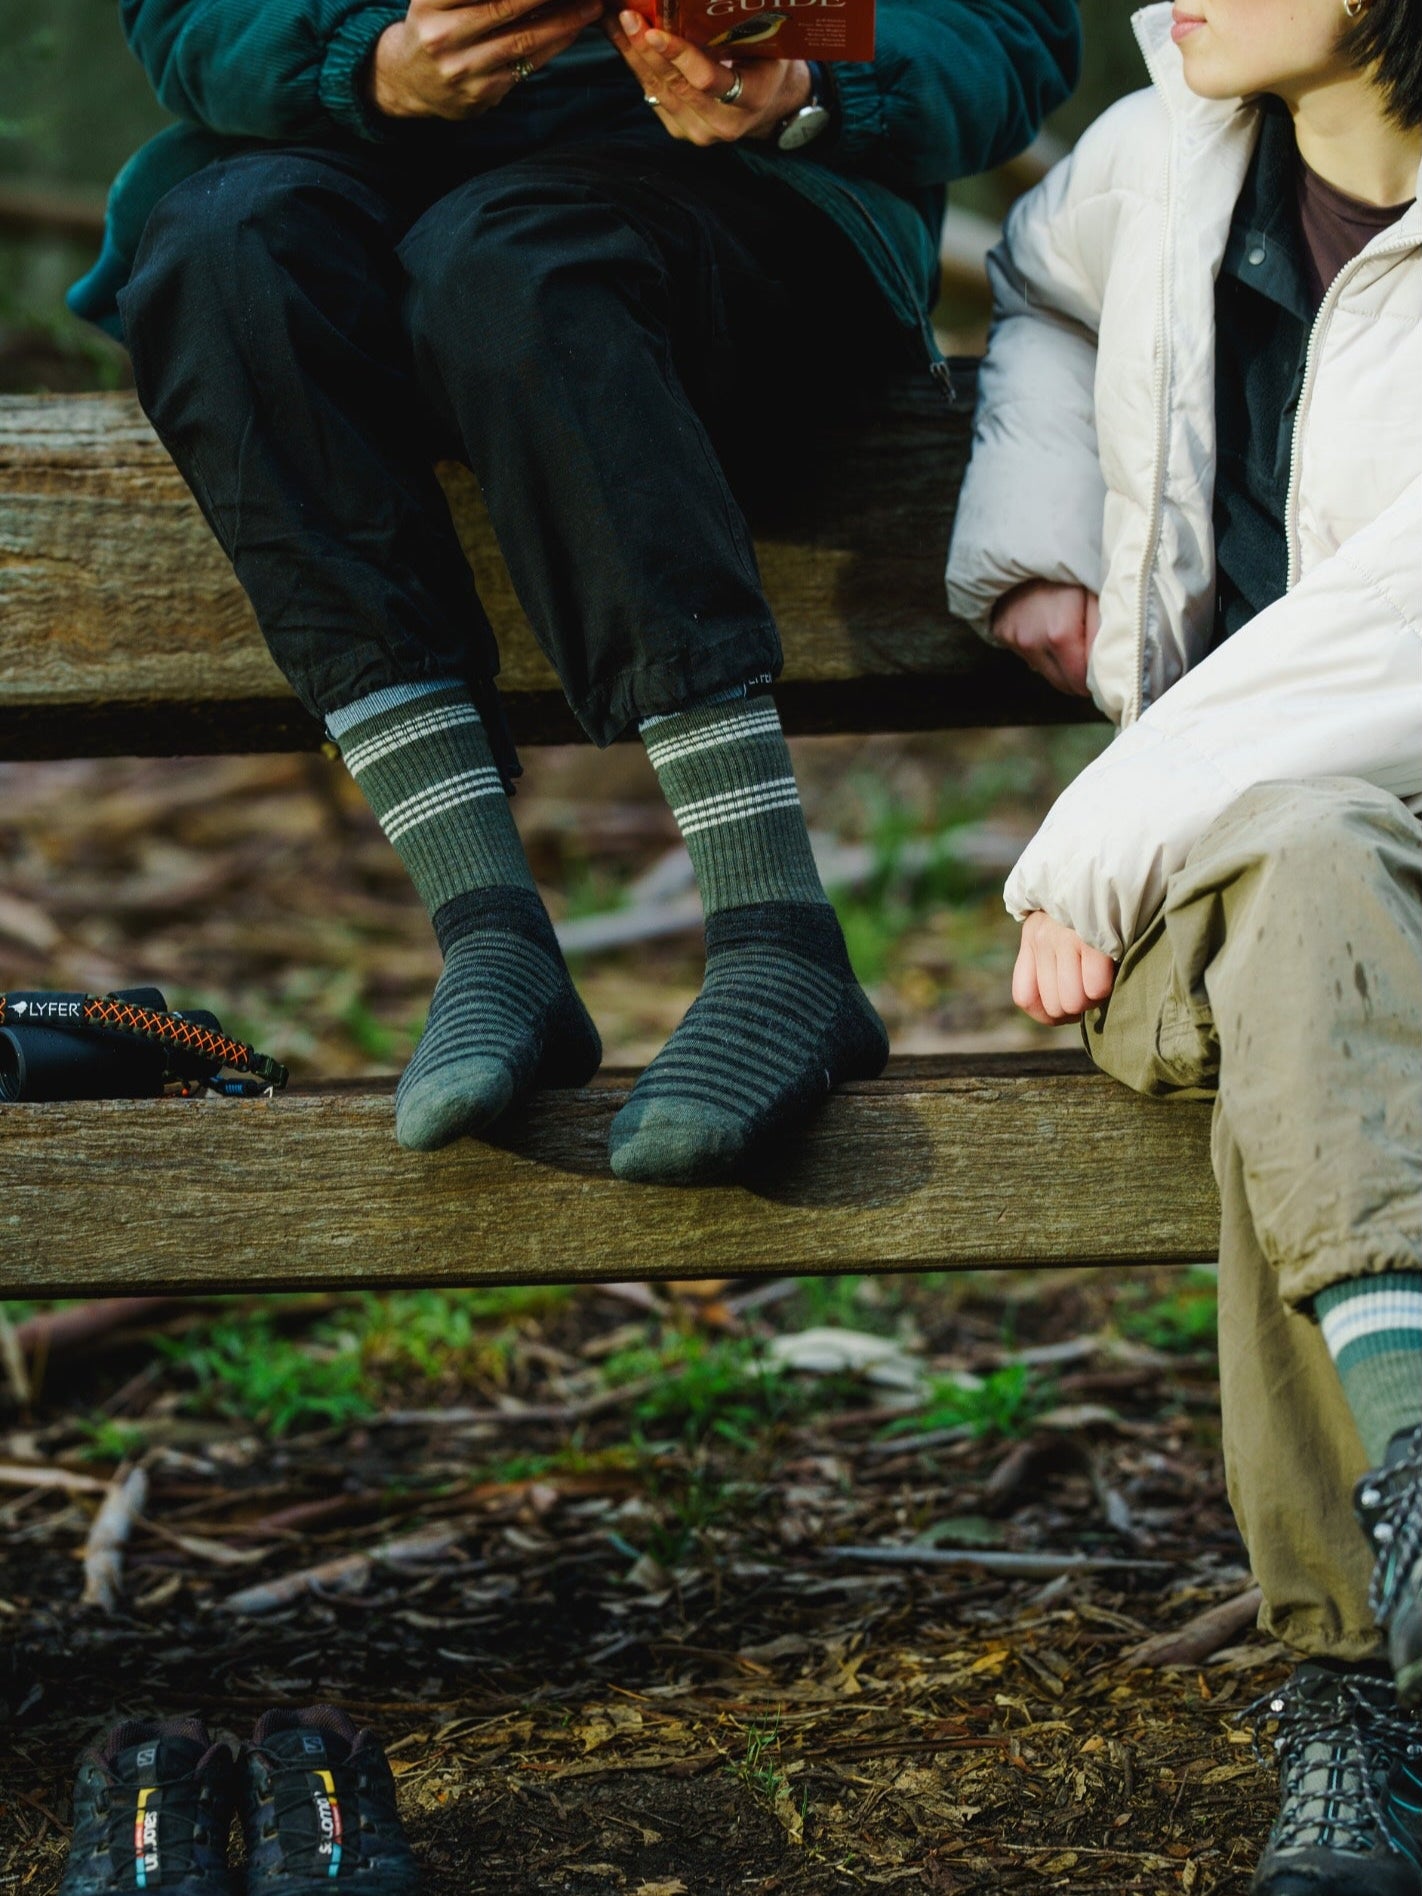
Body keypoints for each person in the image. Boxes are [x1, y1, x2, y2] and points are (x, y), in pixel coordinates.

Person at [76, 0, 1078, 1184]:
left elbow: (1004, 24)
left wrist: (809, 74)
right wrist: (369, 65)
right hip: (345, 175)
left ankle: (781, 947)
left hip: (734, 212)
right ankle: (491, 938)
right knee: (219, 247)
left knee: (511, 256)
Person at [947, 0, 1422, 1887]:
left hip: (1199, 868)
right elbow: (1044, 306)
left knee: (1304, 967)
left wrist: (1103, 836)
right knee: (1303, 905)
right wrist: (1036, 536)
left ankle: (1348, 1689)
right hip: (1245, 887)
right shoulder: (1155, 168)